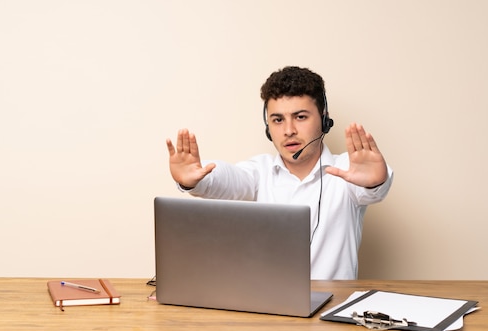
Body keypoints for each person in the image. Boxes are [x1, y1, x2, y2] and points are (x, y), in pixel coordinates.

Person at [165, 66, 393, 280]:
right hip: (270, 308)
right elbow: (227, 178)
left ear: (324, 119)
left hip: (333, 310)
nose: (289, 130)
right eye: (277, 120)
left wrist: (374, 183)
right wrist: (196, 179)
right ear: (268, 127)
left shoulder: (347, 171)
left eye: (300, 117)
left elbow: (372, 190)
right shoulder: (259, 172)